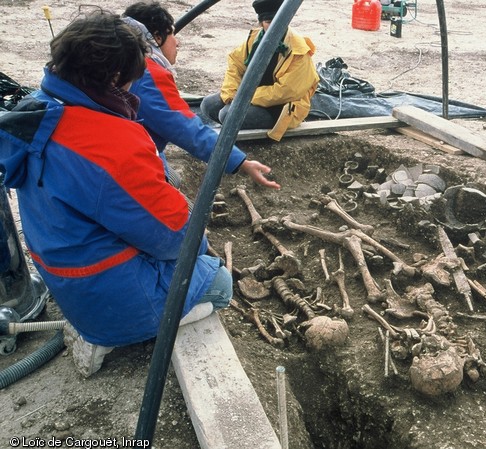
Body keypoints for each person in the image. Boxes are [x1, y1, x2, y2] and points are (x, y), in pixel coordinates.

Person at [0, 11, 237, 377]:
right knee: (219, 282)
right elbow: (173, 239)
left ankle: (100, 325)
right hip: (104, 295)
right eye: (131, 78)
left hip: (64, 275)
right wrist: (198, 240)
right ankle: (108, 336)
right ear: (113, 76)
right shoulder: (109, 144)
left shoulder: (38, 107)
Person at [122, 1, 280, 189]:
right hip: (127, 164)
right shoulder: (148, 74)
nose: (177, 41)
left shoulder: (123, 62)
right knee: (182, 215)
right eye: (172, 33)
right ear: (156, 37)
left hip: (122, 152)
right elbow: (187, 128)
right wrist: (240, 162)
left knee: (173, 178)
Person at [200, 0, 320, 141]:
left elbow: (287, 91)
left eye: (278, 21)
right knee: (209, 105)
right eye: (269, 22)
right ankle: (239, 124)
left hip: (280, 108)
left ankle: (244, 128)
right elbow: (235, 64)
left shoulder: (298, 49)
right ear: (261, 23)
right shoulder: (254, 39)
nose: (275, 27)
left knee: (227, 115)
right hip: (253, 98)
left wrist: (245, 97)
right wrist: (231, 94)